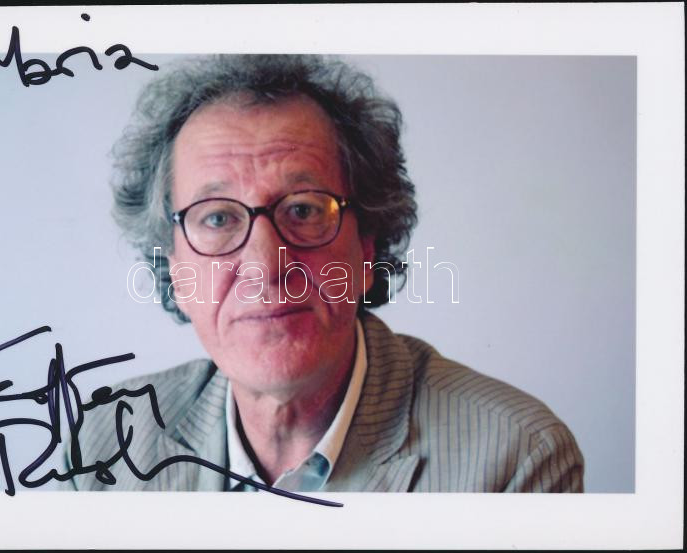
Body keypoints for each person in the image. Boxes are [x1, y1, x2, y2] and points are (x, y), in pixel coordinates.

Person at [65, 55, 584, 493]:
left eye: (304, 210)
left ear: (366, 246)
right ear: (175, 269)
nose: (266, 267)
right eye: (218, 218)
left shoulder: (514, 457)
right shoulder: (102, 449)